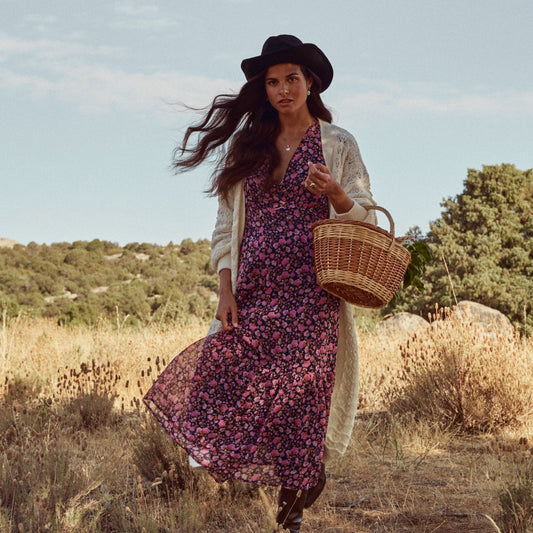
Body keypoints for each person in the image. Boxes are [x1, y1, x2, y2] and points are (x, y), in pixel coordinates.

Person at [144, 34, 377, 532]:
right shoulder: (248, 146)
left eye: (291, 78)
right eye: (272, 82)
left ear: (310, 82)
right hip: (253, 294)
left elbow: (368, 220)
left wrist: (336, 192)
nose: (282, 90)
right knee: (221, 383)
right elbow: (225, 225)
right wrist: (225, 290)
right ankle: (288, 476)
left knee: (304, 401)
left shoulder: (338, 144)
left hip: (314, 297)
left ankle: (291, 512)